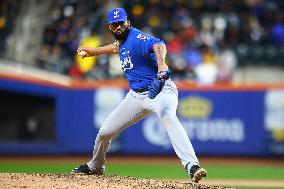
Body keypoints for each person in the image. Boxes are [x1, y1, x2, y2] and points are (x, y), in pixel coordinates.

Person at [71, 7, 207, 183]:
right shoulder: (123, 41)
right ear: (110, 28)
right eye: (114, 25)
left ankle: (192, 165)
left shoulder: (138, 38)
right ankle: (96, 166)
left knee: (168, 116)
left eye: (121, 23)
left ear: (128, 23)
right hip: (135, 96)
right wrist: (94, 51)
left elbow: (158, 45)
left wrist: (161, 65)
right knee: (105, 132)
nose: (118, 27)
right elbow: (117, 47)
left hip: (161, 90)